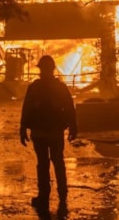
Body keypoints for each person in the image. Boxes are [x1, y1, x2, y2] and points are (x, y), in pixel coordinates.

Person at [20, 55, 78, 212]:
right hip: (53, 132)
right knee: (57, 162)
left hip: (41, 133)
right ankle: (62, 195)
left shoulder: (35, 87)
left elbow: (27, 109)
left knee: (44, 164)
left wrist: (23, 128)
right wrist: (73, 126)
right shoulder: (59, 87)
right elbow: (69, 108)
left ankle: (44, 197)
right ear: (52, 69)